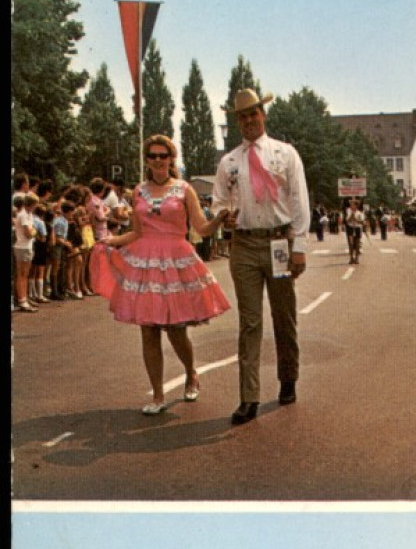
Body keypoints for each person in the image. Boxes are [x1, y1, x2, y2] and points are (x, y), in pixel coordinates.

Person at [90, 135, 231, 414]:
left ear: (171, 158)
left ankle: (191, 373)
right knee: (149, 329)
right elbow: (137, 232)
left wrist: (219, 219)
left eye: (162, 155)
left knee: (177, 331)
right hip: (145, 262)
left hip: (177, 260)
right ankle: (157, 396)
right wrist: (111, 242)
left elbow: (201, 229)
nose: (157, 160)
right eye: (152, 156)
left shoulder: (184, 189)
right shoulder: (138, 191)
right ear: (147, 160)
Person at [210, 88, 311, 425]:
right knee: (250, 322)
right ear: (236, 121)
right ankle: (248, 397)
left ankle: (288, 379)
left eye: (254, 114)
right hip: (245, 246)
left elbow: (299, 201)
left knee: (284, 316)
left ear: (263, 115)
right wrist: (223, 213)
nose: (249, 121)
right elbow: (218, 201)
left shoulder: (285, 153)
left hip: (279, 242)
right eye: (242, 116)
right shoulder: (229, 162)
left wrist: (299, 248)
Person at [344, 198, 365, 265]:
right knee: (351, 243)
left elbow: (362, 222)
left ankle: (357, 258)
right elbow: (347, 221)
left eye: (353, 205)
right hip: (350, 228)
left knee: (357, 244)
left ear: (356, 206)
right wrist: (351, 216)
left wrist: (356, 219)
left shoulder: (360, 213)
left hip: (357, 228)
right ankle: (351, 258)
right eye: (351, 205)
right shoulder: (348, 211)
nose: (351, 206)